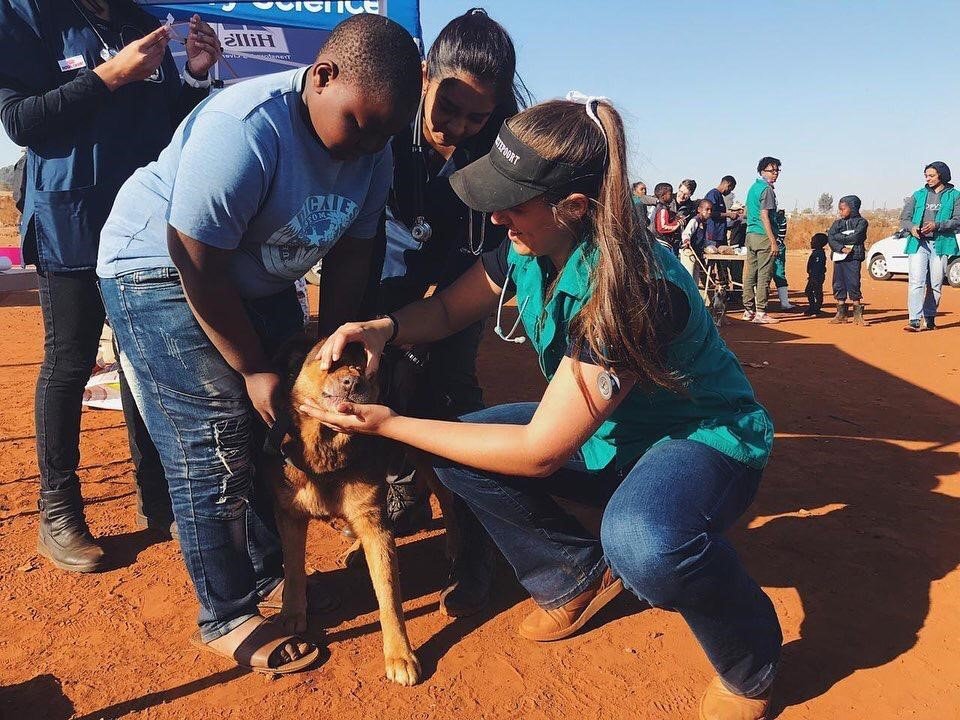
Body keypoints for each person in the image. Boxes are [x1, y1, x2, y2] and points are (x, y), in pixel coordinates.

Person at [308, 97, 782, 720]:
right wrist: (382, 327)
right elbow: (450, 309)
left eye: (514, 205)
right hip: (606, 434)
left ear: (575, 208)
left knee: (645, 544)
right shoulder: (528, 247)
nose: (499, 217)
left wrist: (391, 424)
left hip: (697, 439)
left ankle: (751, 661)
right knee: (456, 446)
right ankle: (572, 574)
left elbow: (539, 453)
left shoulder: (633, 288)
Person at [96, 14, 422, 673]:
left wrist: (336, 345)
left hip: (255, 277)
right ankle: (227, 615)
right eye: (361, 123)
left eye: (386, 132)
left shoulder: (374, 148)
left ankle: (271, 570)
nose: (370, 145)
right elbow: (193, 259)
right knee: (217, 437)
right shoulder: (246, 128)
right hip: (157, 268)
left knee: (279, 431)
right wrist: (252, 370)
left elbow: (356, 258)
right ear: (323, 77)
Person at [0, 0, 221, 572]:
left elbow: (173, 126)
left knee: (144, 361)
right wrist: (109, 77)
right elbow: (20, 120)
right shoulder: (29, 15)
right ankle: (60, 509)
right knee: (70, 361)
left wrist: (195, 74)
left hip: (144, 226)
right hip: (71, 217)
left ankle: (159, 496)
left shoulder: (141, 19)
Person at [373, 7, 526, 617]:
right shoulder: (384, 120)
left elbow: (496, 256)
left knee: (452, 390)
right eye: (448, 109)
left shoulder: (506, 149)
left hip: (467, 271)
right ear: (423, 77)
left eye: (477, 117)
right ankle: (402, 483)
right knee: (386, 380)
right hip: (383, 268)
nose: (458, 127)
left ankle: (474, 548)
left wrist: (446, 310)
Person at [900, 161, 960, 332]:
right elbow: (905, 218)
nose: (928, 179)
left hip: (941, 244)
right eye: (926, 176)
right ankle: (914, 320)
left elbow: (957, 220)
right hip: (918, 243)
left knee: (935, 283)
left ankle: (930, 317)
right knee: (916, 282)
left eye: (932, 175)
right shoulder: (918, 195)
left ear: (942, 175)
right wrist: (911, 228)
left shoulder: (955, 195)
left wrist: (937, 225)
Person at [742, 157, 782, 324]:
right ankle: (761, 312)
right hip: (763, 235)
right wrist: (773, 240)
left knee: (750, 273)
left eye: (777, 171)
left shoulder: (753, 188)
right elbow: (764, 215)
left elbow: (746, 213)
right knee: (764, 274)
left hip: (750, 235)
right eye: (771, 171)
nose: (775, 174)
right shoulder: (766, 190)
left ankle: (748, 310)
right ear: (762, 171)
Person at [826, 196, 868, 325]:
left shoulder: (862, 222)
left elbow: (856, 237)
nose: (840, 212)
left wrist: (839, 237)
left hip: (854, 257)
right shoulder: (837, 223)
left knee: (854, 282)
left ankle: (858, 315)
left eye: (843, 209)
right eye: (839, 209)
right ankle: (841, 314)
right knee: (838, 283)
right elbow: (831, 237)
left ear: (853, 208)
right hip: (839, 256)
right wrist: (841, 248)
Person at [680, 198, 713, 283]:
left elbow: (703, 239)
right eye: (707, 209)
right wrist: (686, 240)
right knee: (688, 278)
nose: (709, 212)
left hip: (697, 254)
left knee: (695, 280)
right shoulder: (695, 220)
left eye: (711, 210)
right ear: (699, 209)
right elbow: (686, 233)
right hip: (689, 253)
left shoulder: (704, 223)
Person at [704, 176, 738, 247]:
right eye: (730, 189)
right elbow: (710, 213)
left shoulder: (720, 196)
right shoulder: (713, 194)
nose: (729, 192)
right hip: (713, 235)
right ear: (727, 184)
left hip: (720, 235)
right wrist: (728, 214)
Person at [771, 209, 794, 310]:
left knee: (761, 275)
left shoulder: (763, 215)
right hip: (778, 246)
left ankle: (760, 304)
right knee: (779, 273)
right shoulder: (781, 218)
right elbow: (781, 236)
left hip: (765, 245)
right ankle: (784, 303)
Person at [651, 182, 682, 253]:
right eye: (670, 194)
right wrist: (677, 225)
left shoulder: (662, 208)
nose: (672, 196)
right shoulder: (662, 209)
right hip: (662, 243)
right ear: (663, 196)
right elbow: (662, 227)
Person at [804, 233, 828, 316]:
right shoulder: (816, 252)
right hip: (813, 276)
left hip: (817, 277)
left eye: (813, 241)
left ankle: (816, 308)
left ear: (818, 243)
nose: (811, 242)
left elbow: (818, 267)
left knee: (817, 292)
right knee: (809, 291)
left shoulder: (819, 254)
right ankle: (813, 307)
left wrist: (814, 276)